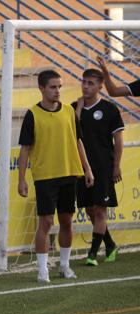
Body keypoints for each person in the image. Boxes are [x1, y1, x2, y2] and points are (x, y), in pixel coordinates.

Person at [18, 69, 94, 283]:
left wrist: (87, 168)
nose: (57, 91)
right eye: (52, 87)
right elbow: (25, 149)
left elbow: (78, 141)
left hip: (69, 173)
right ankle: (42, 270)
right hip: (45, 177)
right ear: (41, 88)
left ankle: (64, 266)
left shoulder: (70, 112)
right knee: (46, 222)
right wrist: (21, 179)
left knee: (67, 222)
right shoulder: (32, 114)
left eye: (59, 86)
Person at [73, 68, 124, 266]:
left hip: (103, 168)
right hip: (81, 167)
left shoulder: (110, 109)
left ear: (100, 86)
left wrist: (116, 166)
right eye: (84, 82)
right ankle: (110, 244)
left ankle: (92, 254)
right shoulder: (73, 108)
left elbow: (118, 141)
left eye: (90, 83)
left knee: (100, 210)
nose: (85, 86)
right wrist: (77, 109)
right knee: (89, 211)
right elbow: (73, 133)